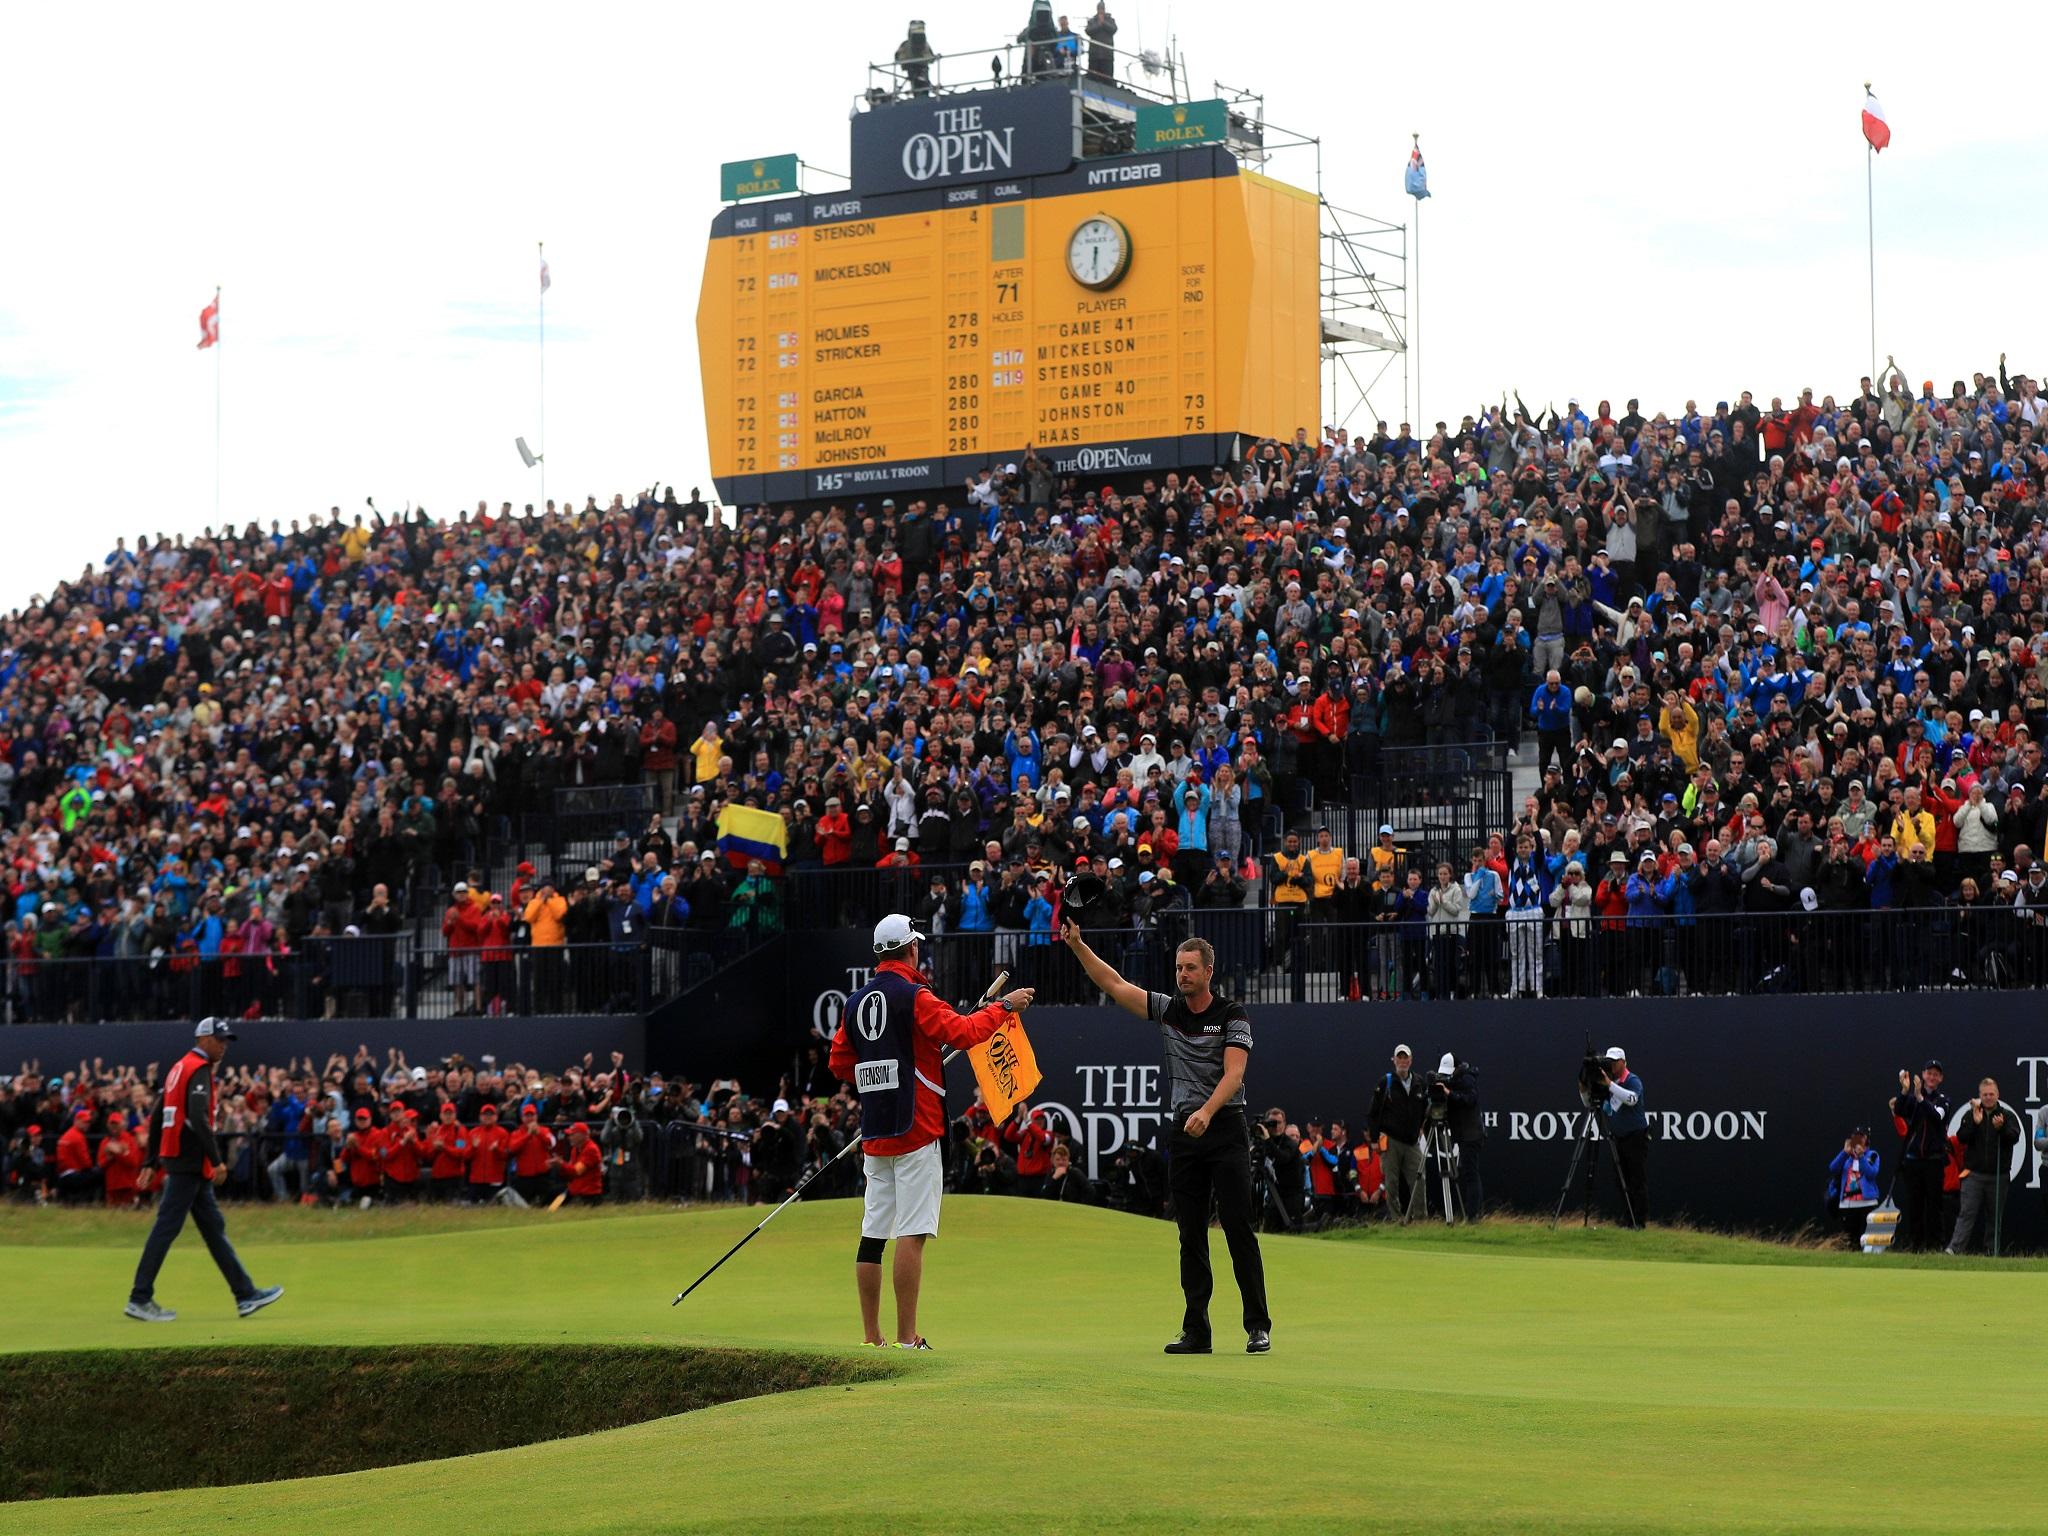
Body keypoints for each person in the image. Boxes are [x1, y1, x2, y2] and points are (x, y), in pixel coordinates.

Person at [1062, 921, 1271, 1356]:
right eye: (1178, 968)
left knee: (1237, 1229)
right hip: (1185, 1133)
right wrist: (1080, 946)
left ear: (1209, 971)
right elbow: (1115, 984)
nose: (1182, 976)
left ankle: (1257, 1326)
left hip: (1226, 1128)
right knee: (1190, 1235)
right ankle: (1197, 1332)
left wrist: (1206, 1112)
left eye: (1191, 968)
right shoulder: (1169, 1010)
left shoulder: (1233, 1014)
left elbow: (1235, 1074)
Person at [830, 912, 1034, 1350]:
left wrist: (883, 1073)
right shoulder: (915, 994)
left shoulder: (854, 1002)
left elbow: (840, 1063)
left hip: (875, 1131)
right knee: (912, 1231)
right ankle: (907, 1338)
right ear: (911, 949)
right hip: (917, 1127)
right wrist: (1004, 1006)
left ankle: (872, 1338)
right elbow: (962, 1032)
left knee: (872, 1233)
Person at [125, 1017, 284, 1322]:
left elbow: (159, 1114)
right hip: (189, 1160)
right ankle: (139, 1297)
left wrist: (150, 1159)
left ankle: (245, 1294)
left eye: (226, 1041)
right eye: (219, 1039)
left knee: (213, 1228)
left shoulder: (178, 1067)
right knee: (167, 1227)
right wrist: (216, 1159)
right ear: (203, 1039)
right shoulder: (198, 1069)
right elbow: (198, 1119)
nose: (224, 1046)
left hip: (182, 1159)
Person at [1947, 1078, 2020, 1255]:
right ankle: (1954, 1250)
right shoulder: (1971, 1114)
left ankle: (1991, 1253)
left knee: (1994, 1218)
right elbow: (1962, 1137)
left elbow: (2014, 1137)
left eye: (1991, 1094)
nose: (1988, 1097)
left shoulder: (2007, 1115)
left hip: (1998, 1176)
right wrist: (1975, 1122)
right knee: (1966, 1214)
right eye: (1985, 1094)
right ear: (1980, 1095)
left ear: (1998, 1095)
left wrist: (2001, 1128)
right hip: (1974, 1175)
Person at [1887, 1060, 1950, 1252]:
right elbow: (1898, 1110)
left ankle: (1934, 1246)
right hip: (1913, 1161)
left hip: (1934, 1162)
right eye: (1929, 1073)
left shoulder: (1943, 1099)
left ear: (1940, 1078)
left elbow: (1936, 1117)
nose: (1932, 1077)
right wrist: (1905, 1091)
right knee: (1915, 1206)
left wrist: (1920, 1097)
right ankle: (1915, 1246)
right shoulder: (1912, 1099)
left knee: (1934, 1206)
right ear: (1923, 1075)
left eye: (1936, 1074)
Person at [1366, 1045, 1427, 1223]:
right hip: (1391, 1140)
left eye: (1405, 1058)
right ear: (1394, 1060)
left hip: (1412, 1141)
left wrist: (1422, 1126)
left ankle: (1421, 1220)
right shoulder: (1386, 1082)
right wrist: (1374, 1139)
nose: (1402, 1061)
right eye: (1399, 1058)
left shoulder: (1419, 1082)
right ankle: (1396, 1218)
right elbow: (1373, 1113)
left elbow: (1425, 1109)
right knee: (1391, 1182)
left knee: (1419, 1179)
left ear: (1410, 1060)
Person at [1592, 1046, 1649, 1227]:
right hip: (1619, 1138)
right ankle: (1627, 1219)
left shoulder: (1633, 1080)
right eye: (1610, 1062)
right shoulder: (1612, 1082)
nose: (1612, 1065)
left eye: (1615, 1062)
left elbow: (1631, 1099)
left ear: (1623, 1062)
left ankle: (1639, 1222)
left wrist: (1609, 1085)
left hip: (1636, 1137)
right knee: (1622, 1181)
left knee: (1636, 1180)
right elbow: (1608, 1109)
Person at [1438, 1051, 1484, 1219]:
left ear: (1456, 1068)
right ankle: (1473, 1212)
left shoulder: (1467, 1080)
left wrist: (1449, 1094)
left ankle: (1473, 1215)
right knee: (1468, 1173)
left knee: (1471, 1173)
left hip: (1471, 1135)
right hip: (1464, 1135)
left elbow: (1470, 1100)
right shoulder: (1455, 1081)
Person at [1825, 1127, 1881, 1244]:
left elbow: (1871, 1174)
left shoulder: (1872, 1155)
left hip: (1867, 1202)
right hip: (1848, 1203)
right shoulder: (1846, 1157)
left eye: (1861, 1138)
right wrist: (1844, 1152)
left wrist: (1861, 1157)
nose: (1858, 1141)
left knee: (1868, 1239)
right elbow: (1833, 1168)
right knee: (1850, 1240)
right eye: (1855, 1138)